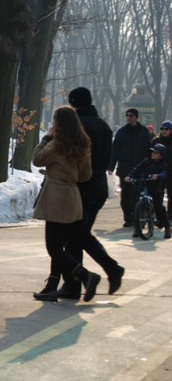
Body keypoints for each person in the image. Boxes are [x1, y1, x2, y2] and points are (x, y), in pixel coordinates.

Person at [31, 106, 100, 303]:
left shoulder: (56, 144)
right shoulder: (82, 143)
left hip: (56, 198)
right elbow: (86, 175)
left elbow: (37, 159)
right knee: (61, 246)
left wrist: (46, 138)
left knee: (53, 248)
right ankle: (52, 286)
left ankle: (86, 275)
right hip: (73, 196)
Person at [62, 87, 124, 298]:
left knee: (72, 238)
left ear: (73, 103)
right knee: (80, 235)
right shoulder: (103, 126)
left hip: (81, 187)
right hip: (98, 187)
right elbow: (107, 156)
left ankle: (73, 285)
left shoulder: (77, 126)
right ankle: (111, 269)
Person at [108, 108, 150, 227]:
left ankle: (136, 216)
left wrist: (147, 164)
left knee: (136, 194)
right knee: (125, 196)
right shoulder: (122, 132)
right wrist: (111, 166)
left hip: (139, 167)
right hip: (124, 168)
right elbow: (115, 150)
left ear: (136, 117)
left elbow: (147, 149)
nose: (128, 117)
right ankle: (128, 218)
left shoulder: (144, 131)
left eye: (131, 115)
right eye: (127, 115)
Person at [125, 143, 171, 239]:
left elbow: (164, 172)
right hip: (144, 185)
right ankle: (137, 228)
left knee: (159, 207)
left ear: (161, 155)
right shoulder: (146, 162)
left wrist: (158, 176)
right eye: (152, 152)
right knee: (137, 203)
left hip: (155, 188)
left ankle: (167, 227)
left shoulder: (162, 164)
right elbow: (137, 169)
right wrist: (130, 176)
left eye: (156, 153)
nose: (153, 154)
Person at [152, 120, 172, 222]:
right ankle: (159, 217)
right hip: (158, 171)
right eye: (162, 129)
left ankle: (170, 217)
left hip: (171, 172)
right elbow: (150, 155)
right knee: (158, 195)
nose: (164, 131)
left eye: (166, 129)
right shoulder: (156, 141)